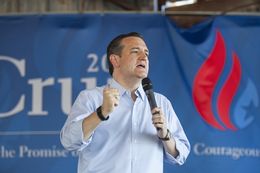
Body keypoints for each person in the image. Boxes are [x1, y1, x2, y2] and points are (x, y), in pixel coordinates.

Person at [60, 32, 190, 173]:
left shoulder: (161, 102)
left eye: (146, 53)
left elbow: (181, 155)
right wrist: (101, 113)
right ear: (115, 60)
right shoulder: (91, 98)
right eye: (135, 51)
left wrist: (165, 134)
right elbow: (68, 141)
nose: (144, 57)